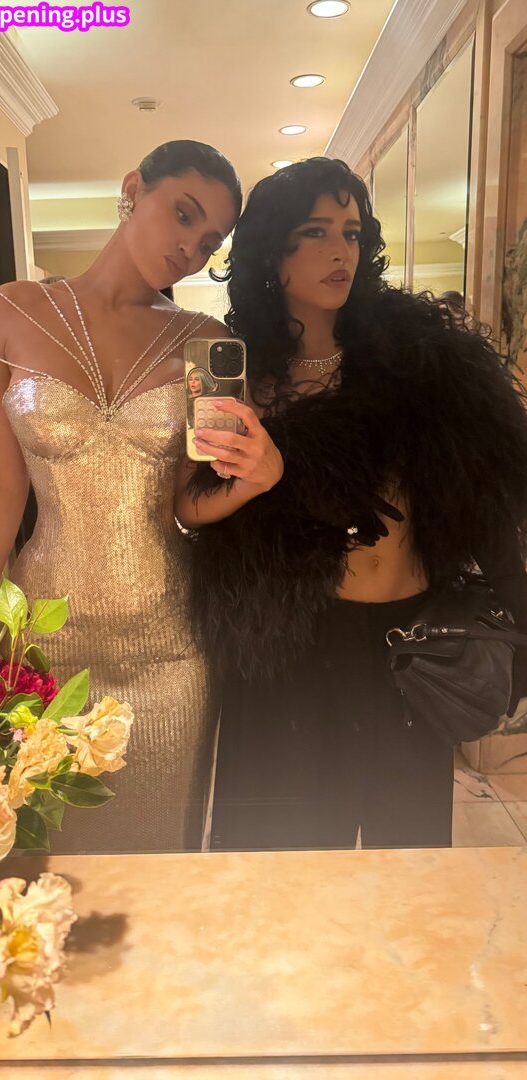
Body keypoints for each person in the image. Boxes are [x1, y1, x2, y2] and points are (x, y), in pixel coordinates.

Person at [174, 157, 527, 852]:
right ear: (272, 252)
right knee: (287, 860)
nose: (340, 250)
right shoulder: (244, 378)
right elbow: (193, 507)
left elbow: (481, 494)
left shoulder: (418, 357)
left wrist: (518, 610)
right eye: (315, 232)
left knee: (406, 862)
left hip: (407, 643)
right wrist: (260, 473)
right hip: (291, 654)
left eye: (352, 232)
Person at [0, 140, 241, 854]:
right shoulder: (10, 311)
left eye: (210, 241)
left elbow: (189, 503)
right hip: (40, 642)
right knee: (39, 855)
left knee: (158, 857)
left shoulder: (208, 344)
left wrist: (253, 478)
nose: (191, 248)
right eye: (183, 214)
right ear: (133, 188)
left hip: (169, 647)